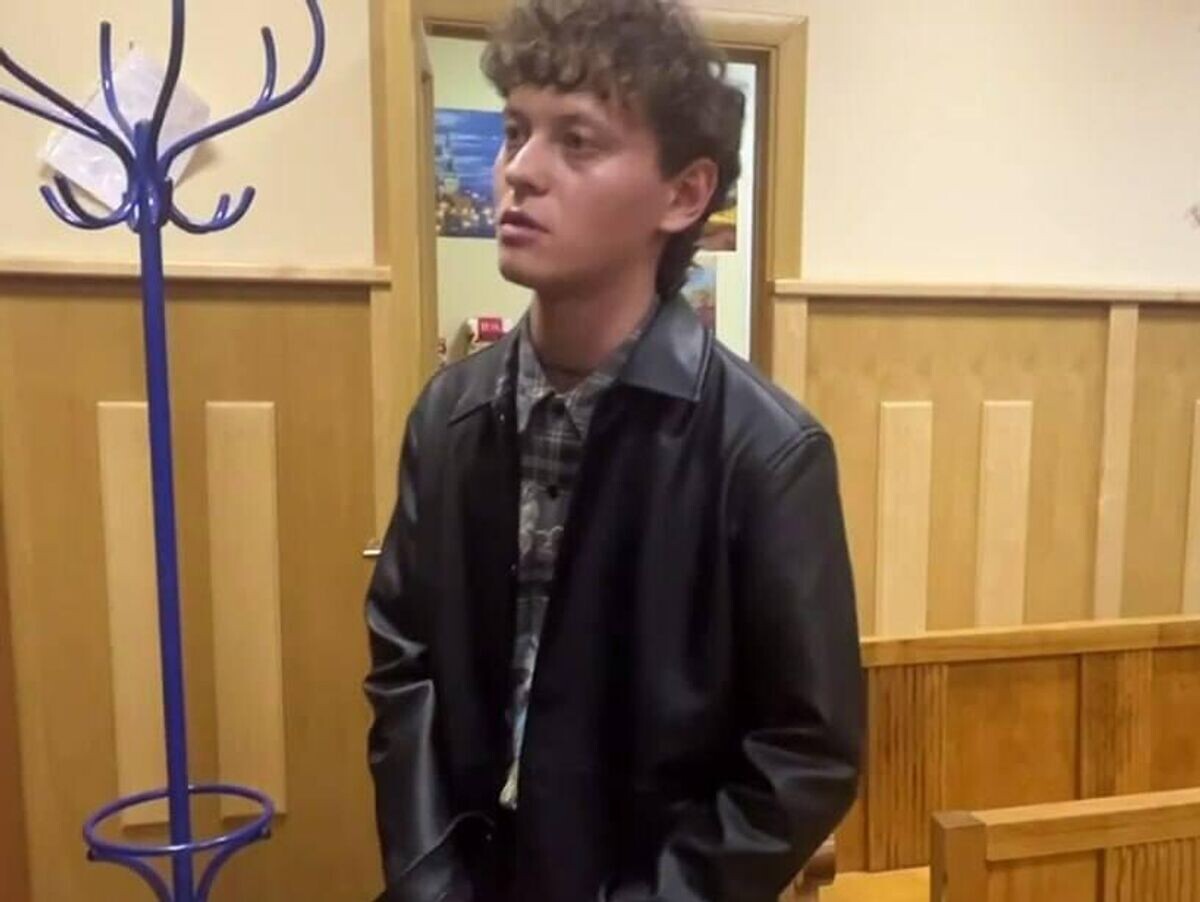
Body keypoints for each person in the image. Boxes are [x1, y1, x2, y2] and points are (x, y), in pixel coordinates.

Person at [364, 1, 864, 899]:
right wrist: (428, 879)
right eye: (515, 131)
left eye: (577, 141)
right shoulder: (449, 414)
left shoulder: (766, 455)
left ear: (684, 194)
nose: (519, 170)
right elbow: (405, 664)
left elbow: (805, 752)